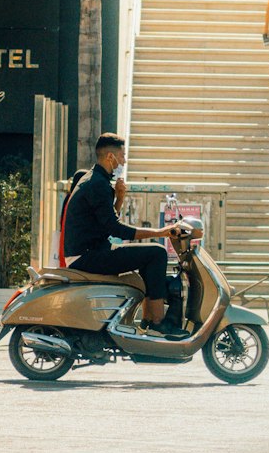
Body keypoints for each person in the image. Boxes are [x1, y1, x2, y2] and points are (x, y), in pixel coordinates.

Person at [62, 133, 186, 337]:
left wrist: (119, 198)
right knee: (156, 253)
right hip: (86, 257)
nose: (124, 161)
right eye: (122, 156)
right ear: (110, 157)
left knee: (150, 257)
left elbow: (105, 223)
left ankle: (147, 320)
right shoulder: (97, 184)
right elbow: (116, 229)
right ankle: (157, 323)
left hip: (92, 251)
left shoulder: (97, 180)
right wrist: (162, 232)